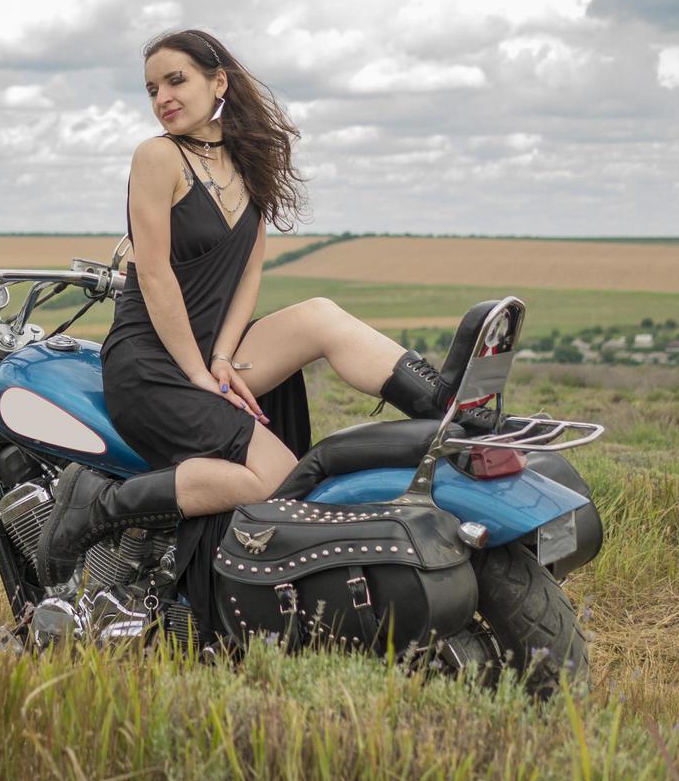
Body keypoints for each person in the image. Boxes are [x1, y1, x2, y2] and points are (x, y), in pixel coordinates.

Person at [37, 29, 489, 586]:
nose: (163, 99)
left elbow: (250, 271)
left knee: (319, 314)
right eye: (152, 89)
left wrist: (224, 357)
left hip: (211, 349)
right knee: (279, 476)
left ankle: (448, 407)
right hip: (152, 361)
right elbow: (153, 275)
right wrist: (199, 374)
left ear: (217, 81)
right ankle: (99, 504)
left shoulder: (245, 162)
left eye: (176, 81)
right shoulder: (157, 157)